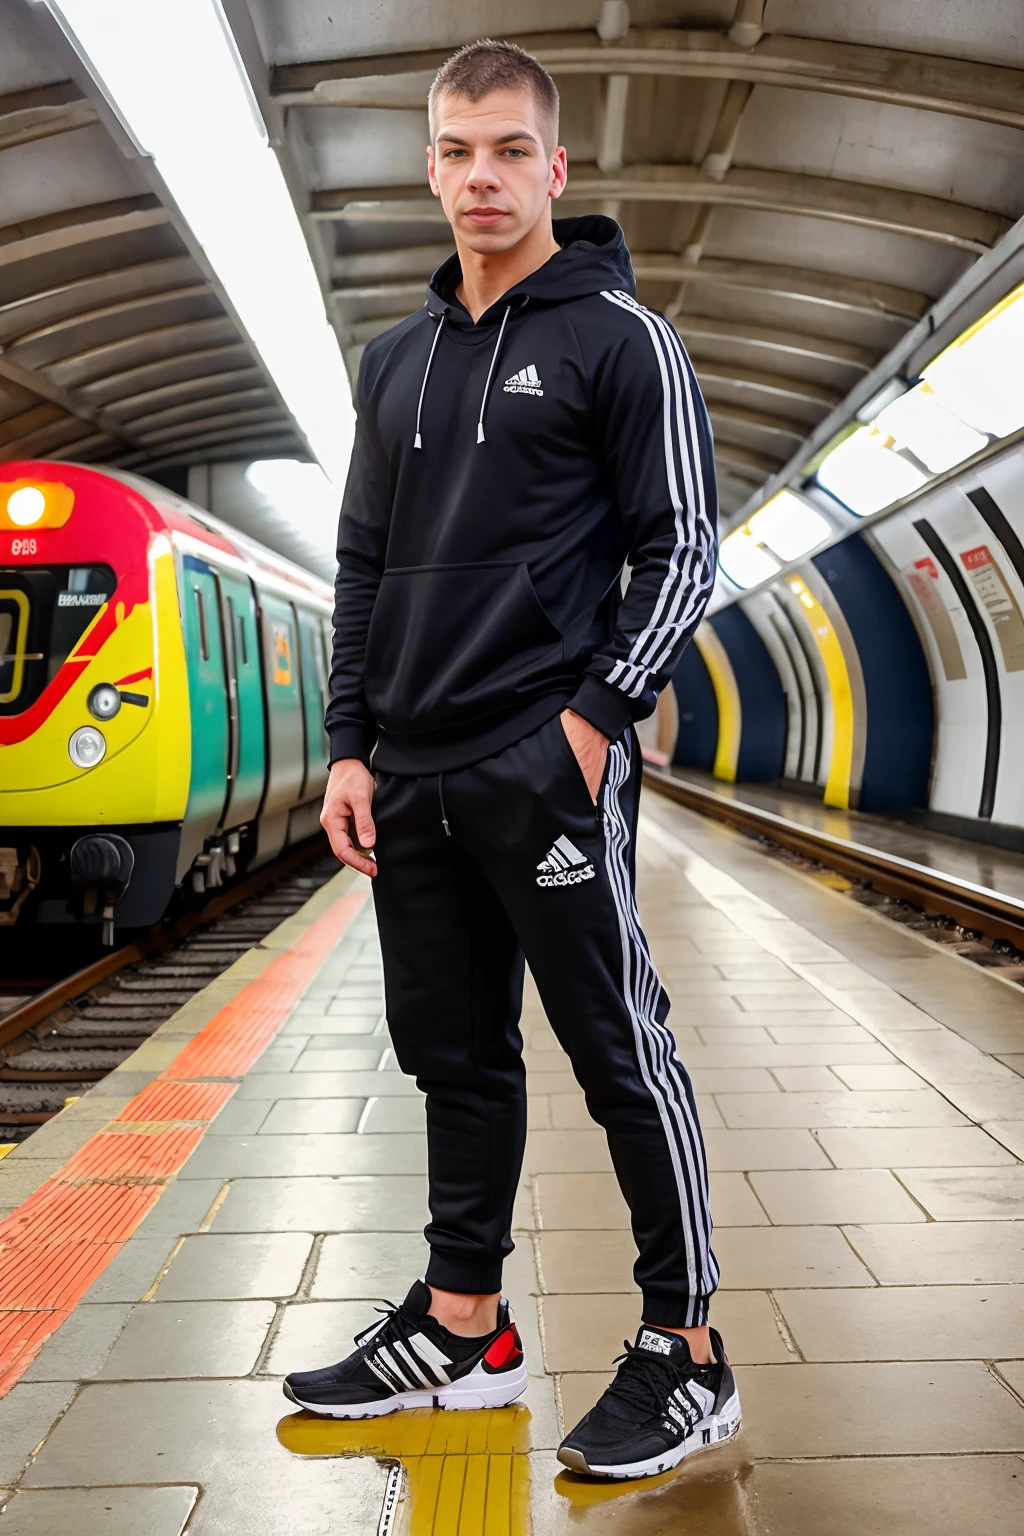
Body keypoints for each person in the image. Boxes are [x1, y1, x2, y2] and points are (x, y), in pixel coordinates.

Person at [284, 38, 739, 1481]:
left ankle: (687, 1351)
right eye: (456, 151)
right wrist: (349, 745)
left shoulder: (622, 340)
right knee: (455, 1058)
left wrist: (594, 722)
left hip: (541, 760)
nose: (482, 176)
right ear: (430, 167)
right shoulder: (396, 359)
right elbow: (362, 565)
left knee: (619, 1048)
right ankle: (466, 1329)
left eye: (508, 151)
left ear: (557, 166)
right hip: (409, 773)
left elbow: (684, 551)